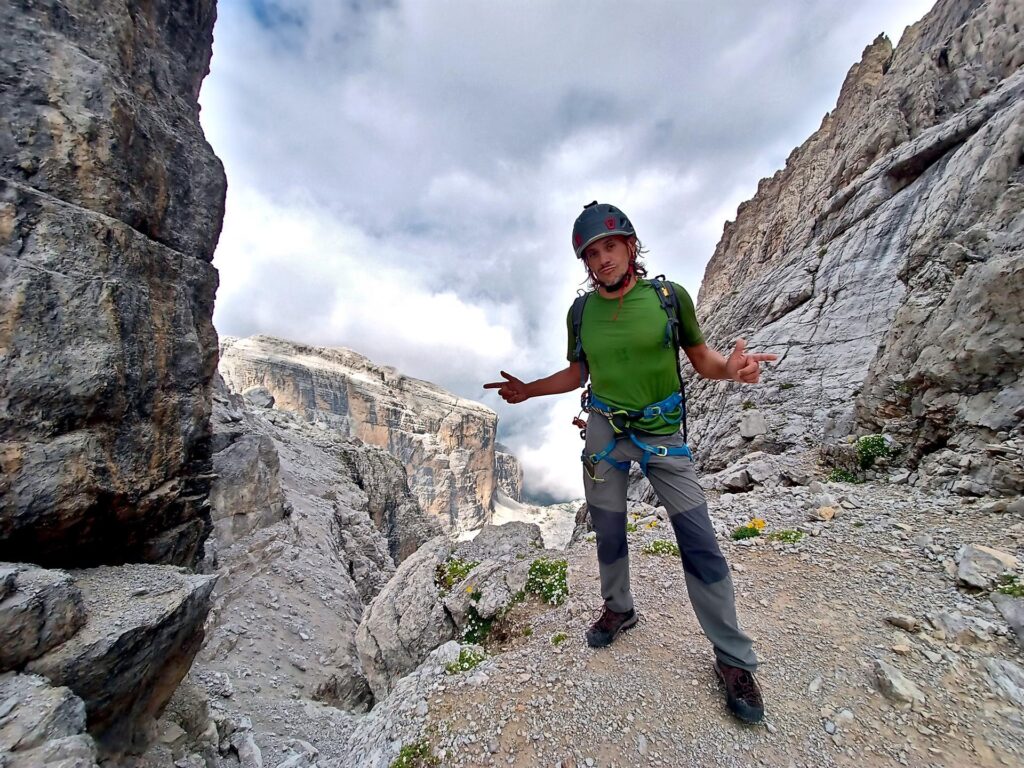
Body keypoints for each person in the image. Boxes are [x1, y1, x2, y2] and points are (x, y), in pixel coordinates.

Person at [484, 201, 777, 725]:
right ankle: (619, 608)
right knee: (609, 532)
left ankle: (733, 660)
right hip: (604, 431)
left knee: (700, 543)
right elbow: (579, 374)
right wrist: (528, 391)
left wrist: (733, 371)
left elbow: (704, 360)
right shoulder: (581, 313)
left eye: (609, 247)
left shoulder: (668, 299)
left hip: (662, 433)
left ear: (631, 247)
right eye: (591, 254)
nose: (601, 260)